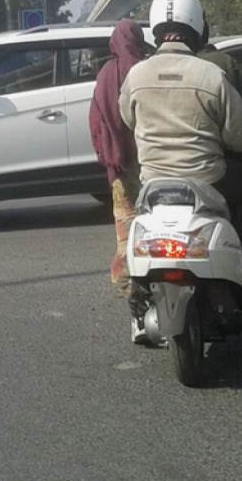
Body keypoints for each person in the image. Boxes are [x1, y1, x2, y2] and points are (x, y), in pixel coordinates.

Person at [119, 0, 242, 295]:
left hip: (154, 181)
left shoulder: (135, 75)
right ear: (199, 26)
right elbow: (238, 135)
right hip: (208, 179)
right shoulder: (210, 74)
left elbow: (127, 119)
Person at [89, 19, 152, 333]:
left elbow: (97, 122)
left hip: (120, 166)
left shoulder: (105, 74)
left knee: (126, 226)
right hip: (151, 162)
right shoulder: (145, 70)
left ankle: (124, 280)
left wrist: (108, 157)